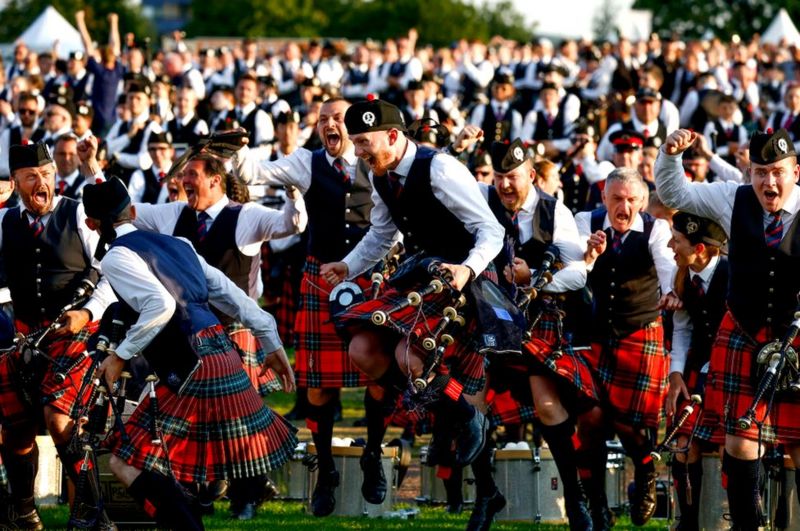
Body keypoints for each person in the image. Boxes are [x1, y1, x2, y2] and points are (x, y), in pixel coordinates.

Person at [82, 177, 298, 530]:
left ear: (92, 224)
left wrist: (120, 355)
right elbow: (236, 297)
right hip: (220, 353)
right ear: (133, 212)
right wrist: (271, 342)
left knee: (127, 462)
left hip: (191, 362)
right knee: (166, 460)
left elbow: (160, 305)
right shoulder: (180, 244)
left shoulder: (116, 258)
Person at [320, 98, 504, 507]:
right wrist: (348, 267)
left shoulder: (440, 168)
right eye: (355, 143)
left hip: (466, 278)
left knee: (408, 356)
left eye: (365, 142)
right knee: (362, 349)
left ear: (392, 135)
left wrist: (466, 270)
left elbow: (490, 231)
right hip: (422, 273)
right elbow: (382, 234)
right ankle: (453, 414)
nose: (359, 152)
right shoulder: (380, 172)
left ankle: (460, 415)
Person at [231, 97, 376, 517]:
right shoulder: (305, 161)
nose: (330, 125)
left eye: (337, 119)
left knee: (379, 372)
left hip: (369, 274)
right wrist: (237, 149)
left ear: (352, 124)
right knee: (317, 385)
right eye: (322, 119)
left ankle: (373, 456)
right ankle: (326, 471)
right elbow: (255, 171)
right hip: (321, 275)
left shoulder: (375, 157)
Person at [655, 127, 800, 528]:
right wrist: (669, 155)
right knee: (740, 440)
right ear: (749, 172)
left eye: (778, 172)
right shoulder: (730, 199)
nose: (769, 182)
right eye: (760, 172)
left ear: (796, 172)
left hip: (796, 334)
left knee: (799, 444)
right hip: (745, 330)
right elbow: (675, 195)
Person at [470, 139, 593, 530]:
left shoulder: (554, 211)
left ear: (532, 176)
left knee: (547, 406)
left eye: (514, 177)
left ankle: (576, 499)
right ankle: (487, 494)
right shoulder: (480, 200)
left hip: (536, 318)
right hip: (485, 316)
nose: (505, 185)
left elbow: (578, 271)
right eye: (500, 176)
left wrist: (536, 279)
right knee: (470, 404)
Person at [0, 142, 114, 529]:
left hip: (76, 329)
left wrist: (87, 311)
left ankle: (93, 511)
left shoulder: (78, 212)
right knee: (14, 426)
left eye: (46, 174)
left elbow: (110, 268)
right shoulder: (4, 222)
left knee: (59, 418)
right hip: (26, 333)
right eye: (31, 176)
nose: (41, 181)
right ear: (15, 183)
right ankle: (23, 511)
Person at [576, 168, 675, 528]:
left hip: (640, 332)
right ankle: (598, 506)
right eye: (617, 198)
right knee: (590, 421)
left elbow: (666, 265)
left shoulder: (655, 229)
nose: (624, 206)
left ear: (643, 202)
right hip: (596, 335)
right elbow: (570, 268)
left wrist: (670, 292)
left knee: (629, 426)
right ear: (604, 196)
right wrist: (586, 257)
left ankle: (646, 472)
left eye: (632, 199)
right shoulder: (584, 221)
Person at [666, 212, 728, 531]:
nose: (669, 245)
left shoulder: (732, 275)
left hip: (729, 369)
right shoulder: (683, 276)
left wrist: (711, 372)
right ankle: (688, 522)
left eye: (677, 240)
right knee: (682, 444)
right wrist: (676, 373)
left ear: (700, 248)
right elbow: (682, 329)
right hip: (696, 370)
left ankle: (732, 520)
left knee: (728, 447)